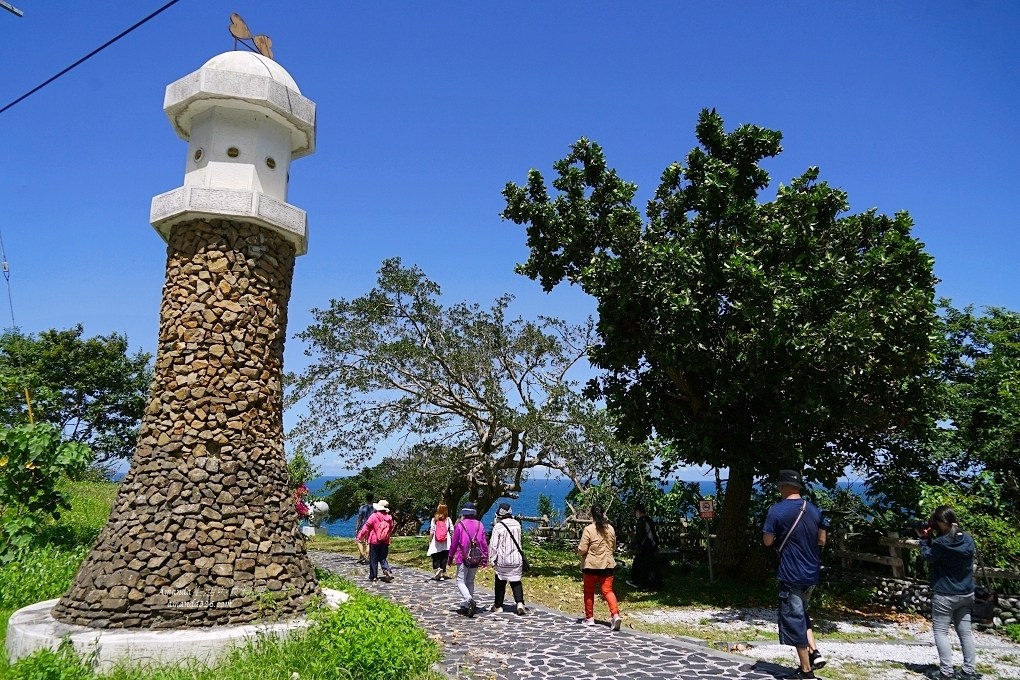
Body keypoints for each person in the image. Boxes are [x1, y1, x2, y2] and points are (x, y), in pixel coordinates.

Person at [762, 469, 827, 680]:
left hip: (791, 573)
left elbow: (768, 541)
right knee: (802, 613)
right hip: (812, 572)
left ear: (784, 487)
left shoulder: (777, 511)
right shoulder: (814, 510)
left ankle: (806, 671)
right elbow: (822, 540)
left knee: (794, 618)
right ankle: (814, 651)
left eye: (780, 486)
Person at [918, 505, 978, 680]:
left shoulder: (941, 544)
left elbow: (929, 556)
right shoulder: (968, 539)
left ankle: (946, 672)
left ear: (942, 523)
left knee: (941, 632)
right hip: (967, 592)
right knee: (965, 632)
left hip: (946, 593)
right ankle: (969, 671)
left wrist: (923, 539)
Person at [577, 503, 622, 630]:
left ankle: (589, 618)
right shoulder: (611, 529)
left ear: (592, 514)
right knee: (608, 591)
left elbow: (582, 549)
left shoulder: (589, 529)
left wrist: (579, 551)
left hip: (591, 566)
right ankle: (615, 614)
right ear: (603, 513)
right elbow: (613, 547)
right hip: (607, 565)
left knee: (589, 592)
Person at [448, 501, 489, 617]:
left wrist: (450, 557)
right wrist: (485, 558)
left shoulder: (460, 525)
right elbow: (484, 543)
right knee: (470, 580)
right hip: (475, 556)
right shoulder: (480, 525)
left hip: (462, 556)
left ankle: (469, 599)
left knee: (460, 580)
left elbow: (454, 543)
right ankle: (467, 606)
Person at [488, 502, 527, 615]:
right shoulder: (517, 525)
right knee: (516, 581)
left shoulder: (498, 526)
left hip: (503, 559)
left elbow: (494, 545)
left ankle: (498, 605)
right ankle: (520, 603)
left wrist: (492, 559)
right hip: (516, 558)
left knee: (500, 581)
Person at [356, 499, 394, 582]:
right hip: (385, 541)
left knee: (373, 559)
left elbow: (366, 527)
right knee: (383, 558)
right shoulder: (389, 517)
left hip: (374, 541)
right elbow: (391, 529)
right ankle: (386, 569)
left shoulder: (374, 516)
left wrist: (360, 537)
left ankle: (373, 576)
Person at [627, 502, 660, 589]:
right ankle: (653, 585)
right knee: (651, 567)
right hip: (653, 546)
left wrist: (630, 546)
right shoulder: (649, 519)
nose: (635, 514)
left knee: (638, 564)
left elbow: (639, 537)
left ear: (638, 511)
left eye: (635, 512)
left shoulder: (641, 521)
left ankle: (637, 582)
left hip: (646, 547)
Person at [427, 502, 454, 581]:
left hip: (436, 540)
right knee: (444, 557)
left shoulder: (434, 519)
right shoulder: (448, 519)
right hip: (446, 541)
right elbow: (452, 530)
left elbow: (432, 531)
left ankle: (437, 569)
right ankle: (442, 574)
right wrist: (451, 538)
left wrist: (430, 540)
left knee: (435, 556)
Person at [354, 492, 374, 565]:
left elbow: (359, 518)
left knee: (359, 540)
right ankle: (367, 557)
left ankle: (362, 555)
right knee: (368, 542)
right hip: (372, 527)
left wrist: (356, 528)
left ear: (366, 499)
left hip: (363, 526)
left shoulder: (362, 507)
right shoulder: (375, 508)